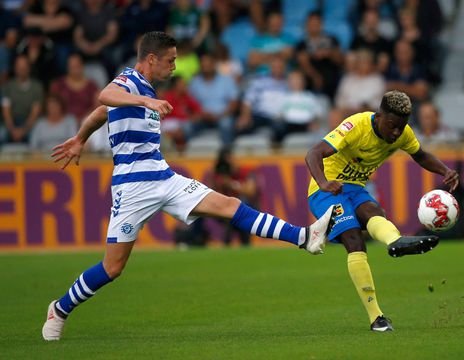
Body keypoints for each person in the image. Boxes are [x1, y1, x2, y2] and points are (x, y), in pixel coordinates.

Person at [42, 31, 334, 341]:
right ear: (151, 59)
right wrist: (145, 101)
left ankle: (305, 237)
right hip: (132, 188)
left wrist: (80, 138)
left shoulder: (143, 90)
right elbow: (105, 97)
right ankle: (59, 309)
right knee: (112, 268)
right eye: (170, 61)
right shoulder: (129, 81)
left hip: (164, 177)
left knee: (229, 206)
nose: (174, 67)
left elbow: (102, 112)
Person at [305, 90, 459, 332]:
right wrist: (324, 182)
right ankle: (376, 317)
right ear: (379, 116)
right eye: (392, 126)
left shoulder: (401, 134)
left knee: (373, 210)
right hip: (325, 191)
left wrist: (444, 171)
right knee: (354, 238)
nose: (396, 133)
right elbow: (313, 153)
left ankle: (395, 242)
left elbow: (420, 155)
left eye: (401, 127)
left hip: (354, 188)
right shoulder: (356, 125)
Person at [208, 146, 260, 246]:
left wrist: (231, 184)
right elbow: (208, 193)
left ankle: (236, 242)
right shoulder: (217, 174)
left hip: (248, 208)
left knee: (241, 205)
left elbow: (250, 191)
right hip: (223, 209)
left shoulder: (245, 171)